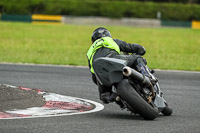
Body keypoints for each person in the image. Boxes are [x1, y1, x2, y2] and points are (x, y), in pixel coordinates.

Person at [86, 27, 146, 104]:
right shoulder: (110, 40)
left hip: (100, 71)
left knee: (103, 95)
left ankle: (114, 97)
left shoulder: (90, 51)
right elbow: (130, 47)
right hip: (113, 58)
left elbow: (93, 74)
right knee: (137, 58)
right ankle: (145, 73)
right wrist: (141, 50)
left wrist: (100, 81)